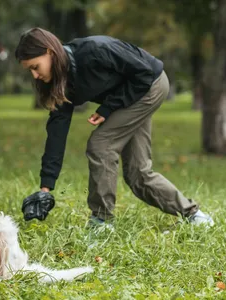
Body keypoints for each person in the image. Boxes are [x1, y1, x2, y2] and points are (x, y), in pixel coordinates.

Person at [15, 27, 214, 227]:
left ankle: (101, 221)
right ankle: (195, 216)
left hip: (150, 85)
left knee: (101, 144)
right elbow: (56, 133)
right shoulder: (61, 82)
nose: (34, 75)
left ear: (50, 52)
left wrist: (108, 108)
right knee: (138, 174)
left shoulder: (94, 51)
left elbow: (143, 73)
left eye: (35, 66)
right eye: (29, 70)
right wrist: (45, 189)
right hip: (131, 95)